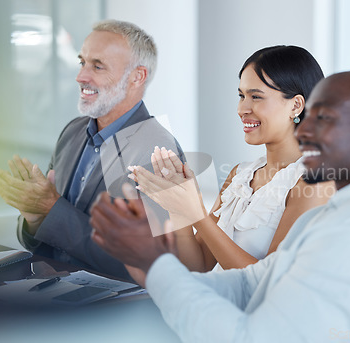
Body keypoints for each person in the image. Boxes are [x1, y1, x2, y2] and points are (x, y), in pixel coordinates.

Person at [90, 69, 350, 342]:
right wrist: (155, 261)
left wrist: (159, 264)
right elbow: (253, 284)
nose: (305, 131)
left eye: (324, 119)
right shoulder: (339, 213)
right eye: (241, 95)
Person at [0, 19, 184, 280]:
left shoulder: (159, 151)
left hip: (115, 312)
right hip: (52, 296)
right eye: (83, 62)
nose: (81, 76)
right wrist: (35, 218)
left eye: (98, 66)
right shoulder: (72, 132)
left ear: (137, 77)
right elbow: (44, 243)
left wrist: (51, 208)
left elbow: (152, 264)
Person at [128, 46, 335, 272]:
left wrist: (197, 213)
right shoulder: (240, 175)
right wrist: (179, 206)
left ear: (296, 105)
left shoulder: (316, 181)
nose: (242, 109)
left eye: (256, 97)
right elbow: (198, 265)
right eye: (241, 96)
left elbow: (270, 281)